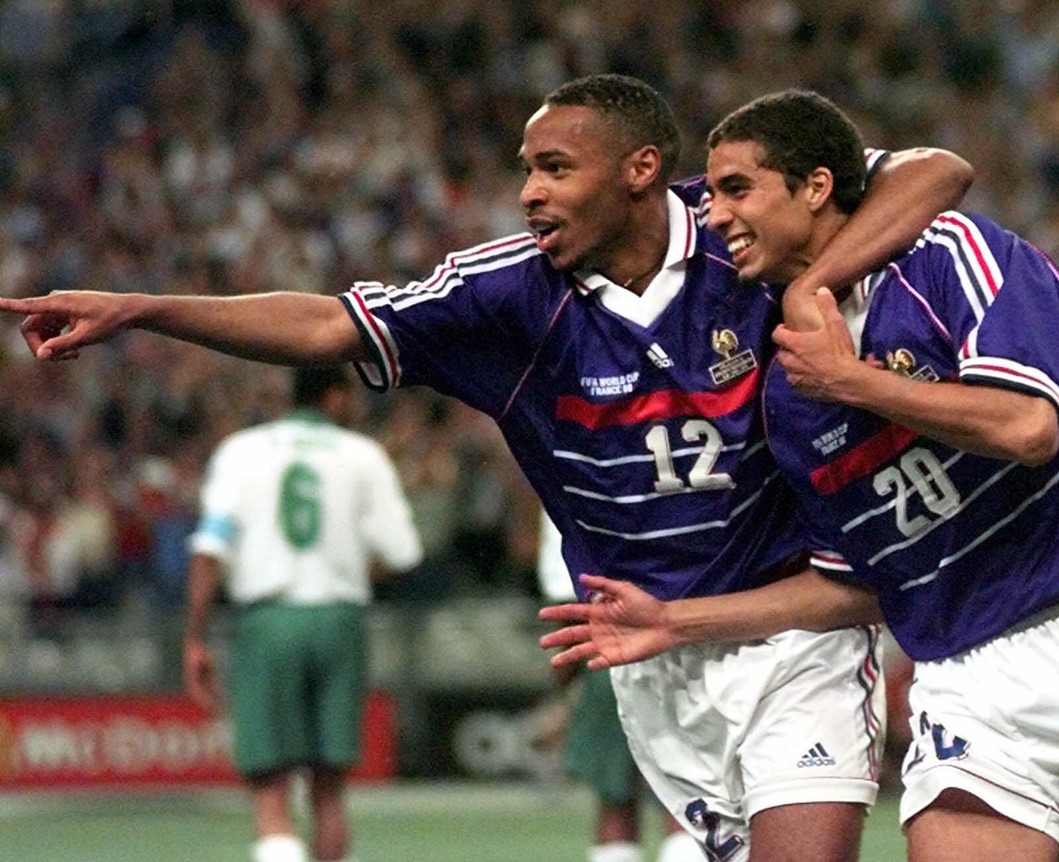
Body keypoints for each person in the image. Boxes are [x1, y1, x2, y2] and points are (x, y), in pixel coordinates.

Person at [0, 74, 971, 861]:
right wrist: (143, 310)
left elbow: (934, 171)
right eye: (526, 170)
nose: (528, 192)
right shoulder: (504, 296)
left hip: (792, 628)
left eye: (555, 167)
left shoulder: (739, 230)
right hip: (646, 656)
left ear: (640, 169)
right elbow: (329, 324)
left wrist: (810, 284)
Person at [540, 90, 1059, 862]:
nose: (715, 216)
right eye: (710, 197)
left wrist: (855, 382)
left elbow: (1027, 428)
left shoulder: (947, 258)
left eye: (737, 189)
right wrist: (678, 622)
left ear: (816, 187)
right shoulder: (790, 395)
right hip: (960, 673)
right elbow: (857, 587)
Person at [183, 366, 424, 862]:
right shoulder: (363, 455)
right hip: (339, 618)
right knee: (329, 790)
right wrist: (345, 564)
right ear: (334, 398)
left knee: (271, 788)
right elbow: (403, 553)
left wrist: (195, 638)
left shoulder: (242, 451)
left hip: (268, 621)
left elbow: (209, 550)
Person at [538, 511, 703, 862]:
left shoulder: (568, 482)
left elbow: (567, 596)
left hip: (609, 644)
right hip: (690, 630)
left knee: (616, 800)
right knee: (690, 795)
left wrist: (563, 687)